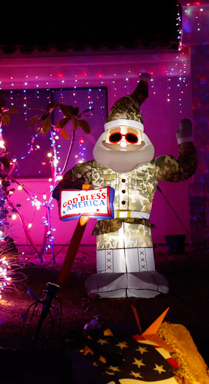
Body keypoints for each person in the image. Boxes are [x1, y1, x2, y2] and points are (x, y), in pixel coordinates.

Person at [54, 73, 197, 298]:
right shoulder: (92, 168)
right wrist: (76, 203)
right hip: (107, 229)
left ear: (140, 137)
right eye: (115, 136)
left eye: (130, 137)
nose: (122, 141)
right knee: (109, 266)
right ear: (106, 137)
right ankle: (107, 285)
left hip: (139, 228)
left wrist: (185, 142)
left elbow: (183, 170)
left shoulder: (152, 166)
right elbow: (62, 187)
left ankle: (144, 282)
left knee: (139, 263)